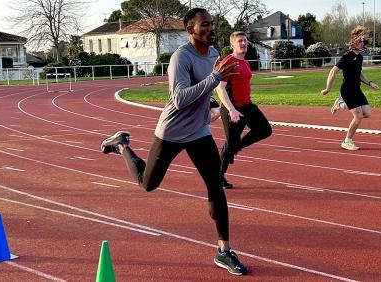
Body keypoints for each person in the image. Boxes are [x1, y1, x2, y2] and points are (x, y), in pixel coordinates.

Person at [100, 8, 247, 275]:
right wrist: (215, 78)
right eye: (204, 25)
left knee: (216, 187)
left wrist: (214, 104)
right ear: (191, 30)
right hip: (172, 131)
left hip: (199, 131)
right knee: (148, 183)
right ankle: (122, 144)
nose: (211, 29)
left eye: (212, 24)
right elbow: (179, 98)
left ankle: (223, 251)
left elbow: (209, 88)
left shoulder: (214, 54)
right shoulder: (181, 57)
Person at [216, 31, 272, 189]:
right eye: (240, 41)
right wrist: (231, 110)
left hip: (247, 106)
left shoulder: (246, 63)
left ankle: (237, 146)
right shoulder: (228, 62)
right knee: (229, 145)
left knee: (265, 130)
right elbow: (220, 89)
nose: (243, 43)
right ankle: (218, 178)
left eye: (245, 41)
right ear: (232, 44)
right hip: (233, 109)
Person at [321, 26, 380, 150]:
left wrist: (370, 83)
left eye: (363, 41)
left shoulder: (359, 57)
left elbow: (359, 74)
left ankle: (340, 104)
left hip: (357, 89)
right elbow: (332, 72)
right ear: (353, 42)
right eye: (359, 41)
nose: (361, 43)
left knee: (367, 113)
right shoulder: (347, 56)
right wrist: (327, 89)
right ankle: (347, 141)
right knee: (358, 116)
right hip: (347, 90)